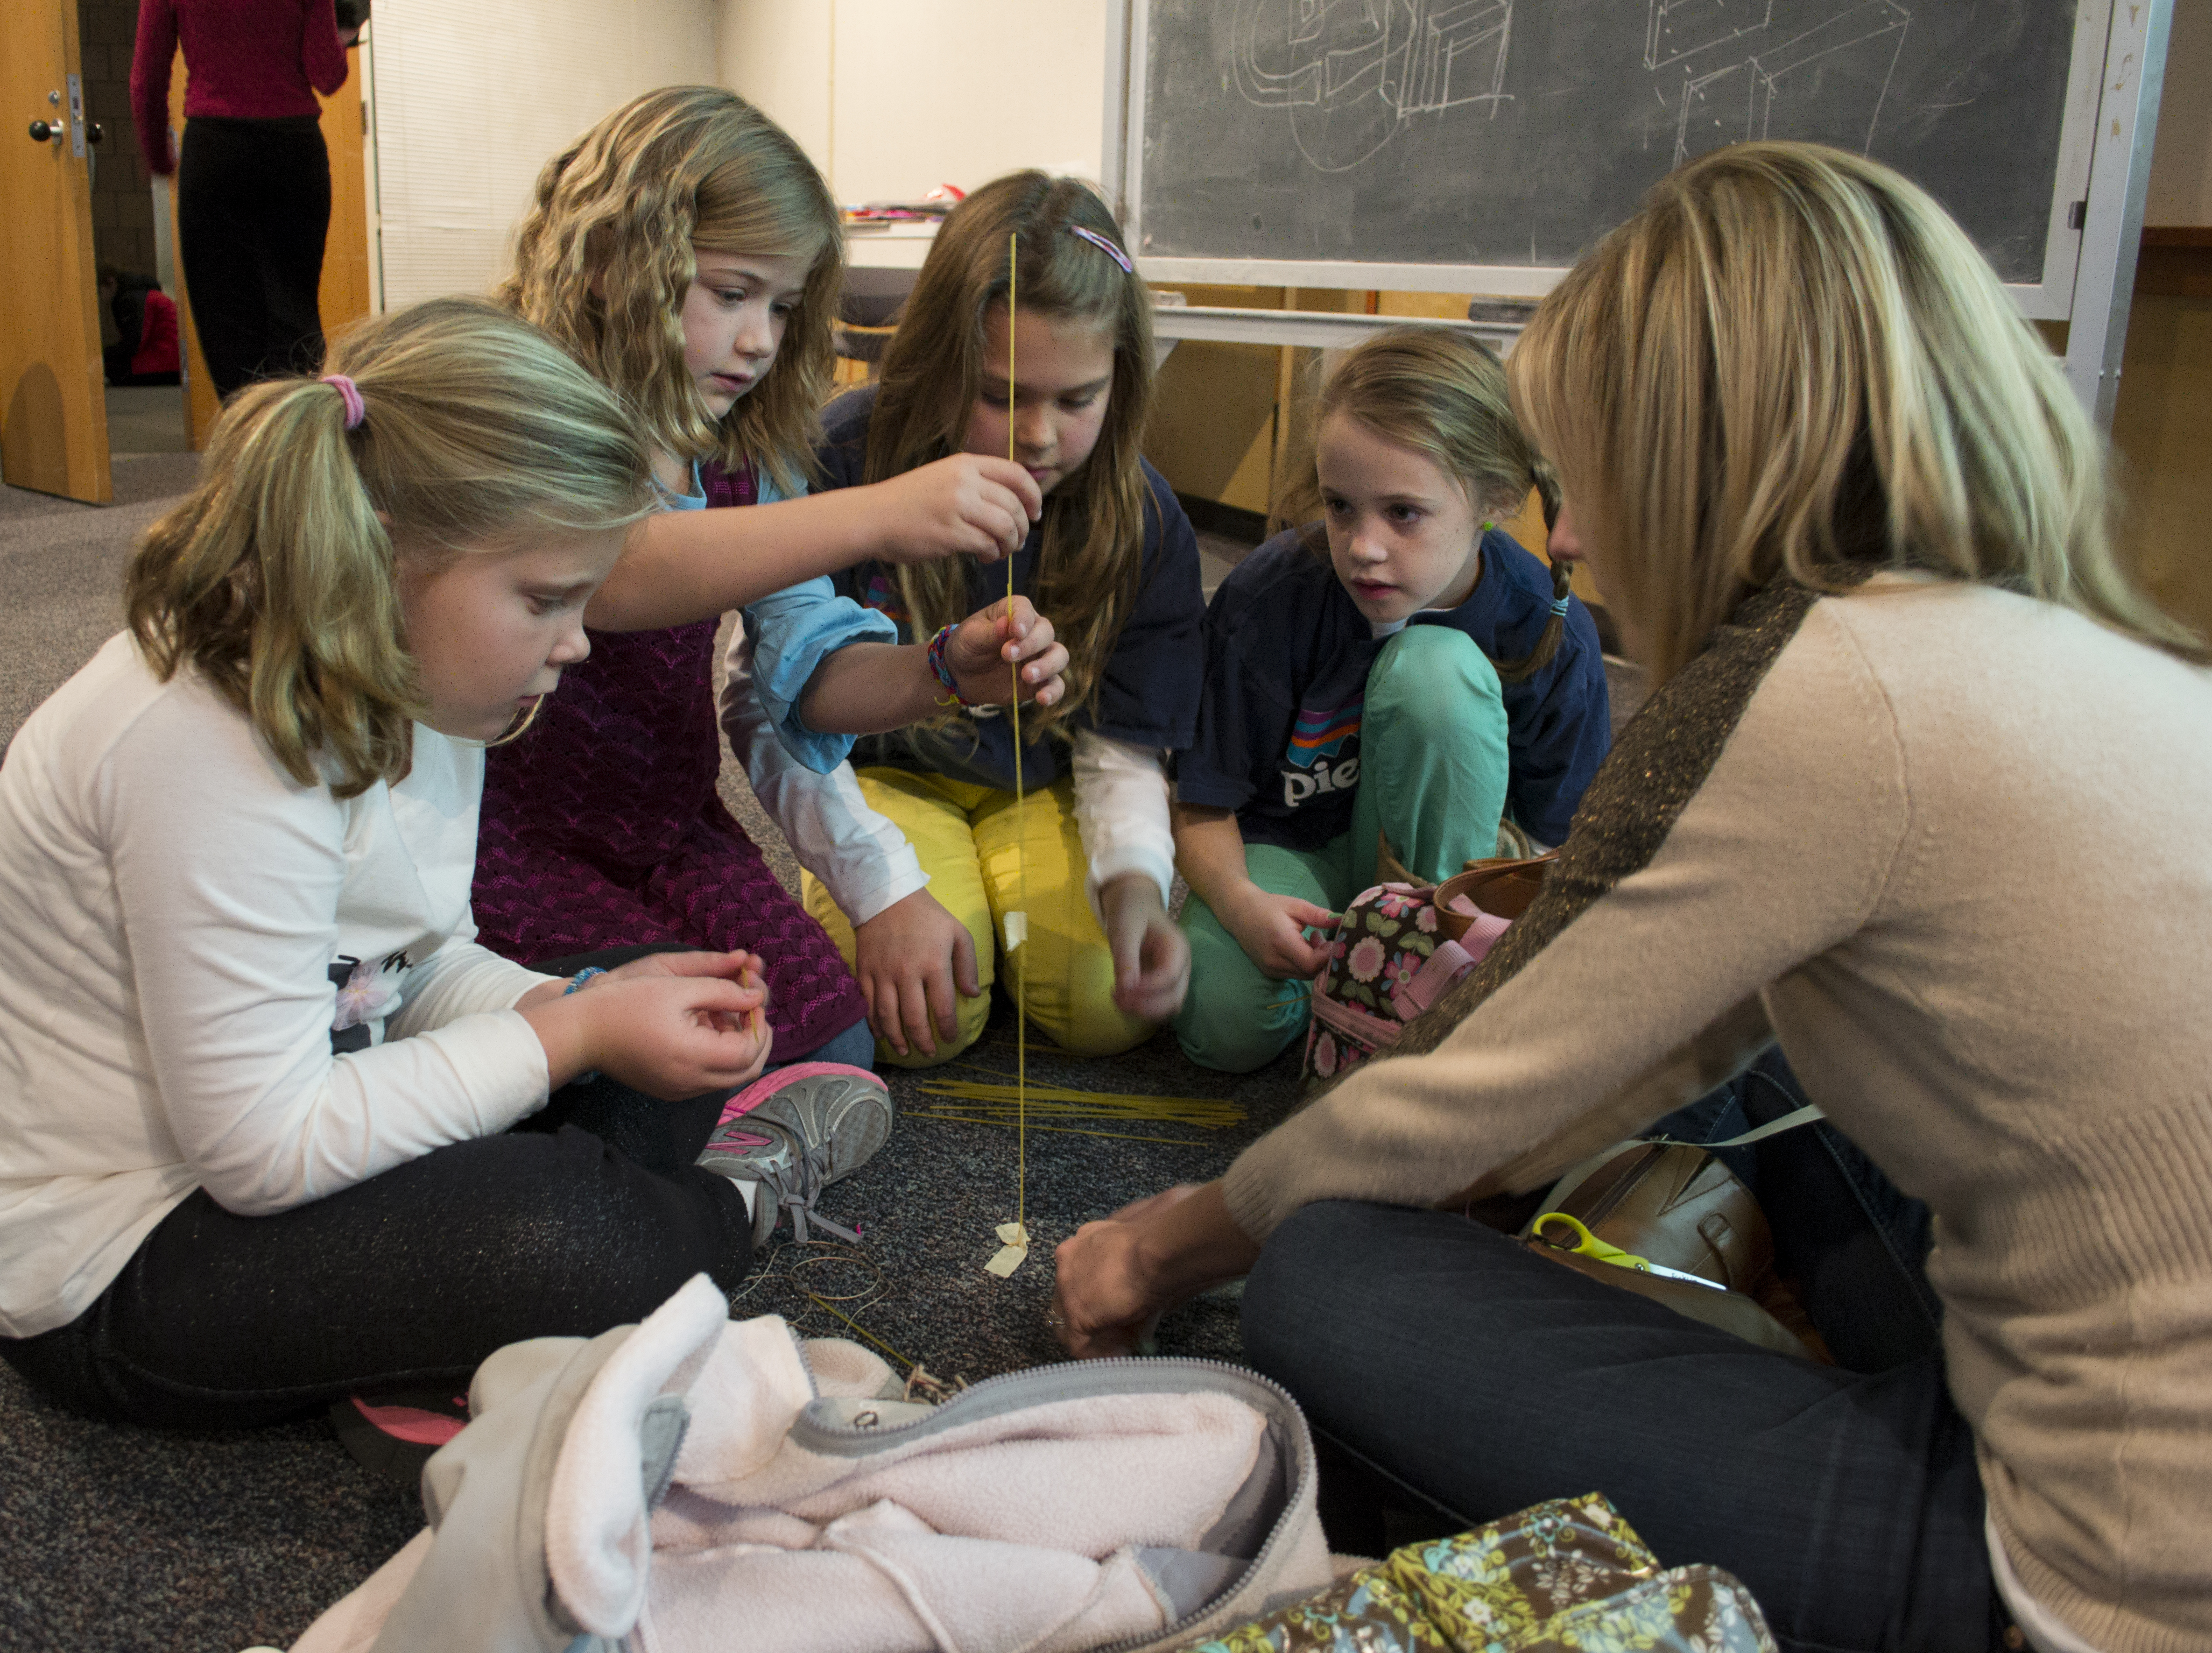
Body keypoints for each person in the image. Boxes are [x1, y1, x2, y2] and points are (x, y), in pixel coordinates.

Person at [1048, 143, 2212, 1653]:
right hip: (2122, 1392)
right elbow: (1650, 1033)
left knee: (1328, 1273)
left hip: (2092, 1583)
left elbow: (1462, 1096)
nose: (1575, 539)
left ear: (1707, 462)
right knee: (1778, 1052)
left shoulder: (1805, 691)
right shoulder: (2062, 642)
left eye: (1585, 481)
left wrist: (1156, 1245)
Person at [0, 298, 872, 1432]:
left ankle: (430, 1343)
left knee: (634, 990)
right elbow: (261, 1151)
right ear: (388, 554)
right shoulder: (212, 745)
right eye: (546, 600)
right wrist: (567, 1034)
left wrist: (581, 1004)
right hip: (111, 1266)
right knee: (588, 1233)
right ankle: (718, 1211)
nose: (576, 643)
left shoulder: (422, 683)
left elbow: (402, 965)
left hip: (274, 1122)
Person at [475, 88, 1068, 1086]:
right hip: (510, 844)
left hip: (666, 826)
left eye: (784, 307)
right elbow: (614, 574)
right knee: (641, 1058)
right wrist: (878, 511)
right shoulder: (537, 412)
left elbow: (807, 671)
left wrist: (943, 670)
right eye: (732, 292)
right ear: (624, 260)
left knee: (822, 1039)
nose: (761, 340)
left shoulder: (742, 451)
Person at [735, 172, 1202, 1066]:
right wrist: (877, 887)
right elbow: (773, 699)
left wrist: (1137, 884)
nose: (1037, 436)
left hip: (1042, 789)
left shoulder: (1143, 520)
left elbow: (1124, 746)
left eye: (1077, 400)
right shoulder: (842, 459)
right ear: (940, 358)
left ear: (1122, 378)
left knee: (1112, 1005)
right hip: (882, 780)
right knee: (920, 1023)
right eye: (1000, 394)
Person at [1169, 327, 1608, 1072]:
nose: (1363, 547)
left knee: (1433, 672)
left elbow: (1565, 847)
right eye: (1342, 507)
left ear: (1496, 499)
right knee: (1220, 1020)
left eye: (1403, 513)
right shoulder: (1272, 597)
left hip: (1453, 869)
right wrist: (1242, 905)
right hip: (1295, 853)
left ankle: (1423, 961)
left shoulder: (1547, 624)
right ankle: (1361, 976)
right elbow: (1201, 801)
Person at [130, 0, 350, 398]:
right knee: (293, 314)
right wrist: (344, 32)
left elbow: (146, 81)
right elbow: (328, 75)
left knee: (226, 327)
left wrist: (160, 157)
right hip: (293, 154)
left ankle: (247, 449)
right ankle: (302, 446)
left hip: (216, 154)